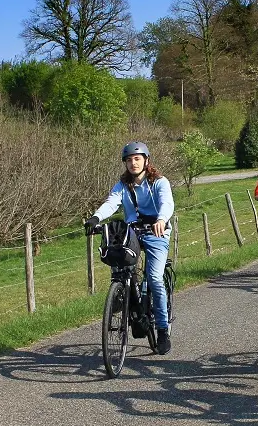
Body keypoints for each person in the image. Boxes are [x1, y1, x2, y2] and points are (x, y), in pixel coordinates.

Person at [84, 141, 175, 355]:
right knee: (119, 263)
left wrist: (161, 219)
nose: (133, 163)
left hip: (157, 233)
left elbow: (167, 203)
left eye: (137, 158)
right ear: (125, 163)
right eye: (129, 160)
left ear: (146, 160)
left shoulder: (159, 182)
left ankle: (162, 330)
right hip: (133, 233)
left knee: (153, 279)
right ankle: (123, 297)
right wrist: (95, 218)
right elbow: (112, 202)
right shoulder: (123, 185)